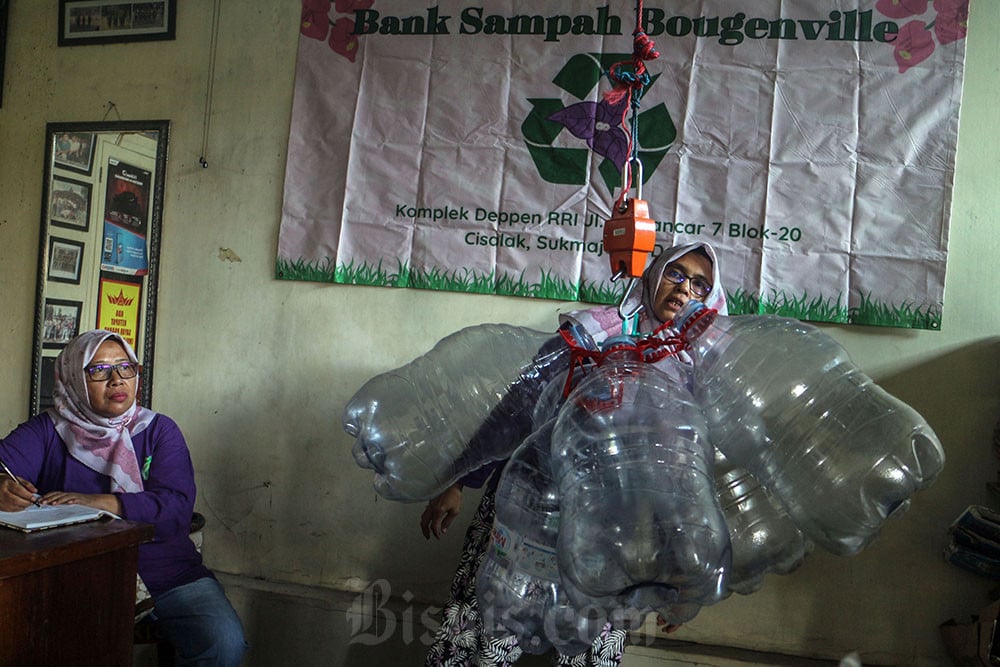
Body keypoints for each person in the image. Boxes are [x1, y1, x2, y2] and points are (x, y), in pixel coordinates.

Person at [421, 242, 729, 666]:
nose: (684, 289)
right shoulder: (591, 334)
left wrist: (679, 582)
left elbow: (688, 479)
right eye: (675, 274)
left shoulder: (700, 372)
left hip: (617, 530)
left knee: (587, 646)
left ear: (710, 300)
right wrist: (458, 481)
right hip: (533, 505)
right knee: (486, 630)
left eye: (700, 284)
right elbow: (517, 408)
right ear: (653, 275)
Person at [0, 330, 247, 667]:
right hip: (77, 575)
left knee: (223, 643)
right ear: (74, 376)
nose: (116, 379)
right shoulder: (48, 430)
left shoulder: (159, 430)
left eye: (125, 367)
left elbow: (175, 508)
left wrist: (98, 502)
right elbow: (2, 467)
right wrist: (2, 485)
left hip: (165, 571)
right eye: (99, 370)